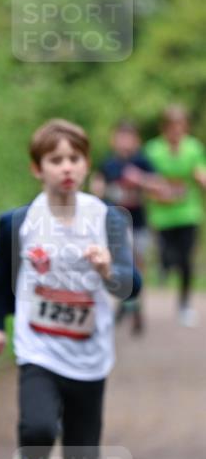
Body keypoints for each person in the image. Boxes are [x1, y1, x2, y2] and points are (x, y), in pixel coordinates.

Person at [0, 119, 140, 459]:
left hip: (91, 355)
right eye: (55, 160)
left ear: (86, 164)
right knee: (40, 426)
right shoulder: (19, 223)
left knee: (83, 454)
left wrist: (109, 271)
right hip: (38, 350)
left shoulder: (107, 219)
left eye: (75, 159)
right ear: (37, 168)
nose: (66, 168)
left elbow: (131, 286)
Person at [90, 120, 162, 334]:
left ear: (136, 140)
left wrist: (140, 180)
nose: (125, 142)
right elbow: (97, 188)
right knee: (123, 260)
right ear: (114, 139)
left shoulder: (142, 161)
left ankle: (135, 307)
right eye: (121, 137)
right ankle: (127, 303)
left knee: (138, 264)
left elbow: (159, 186)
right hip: (115, 223)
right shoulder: (108, 163)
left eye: (129, 137)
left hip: (138, 221)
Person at [144, 105, 206, 328]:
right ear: (164, 128)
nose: (176, 131)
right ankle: (163, 268)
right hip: (162, 216)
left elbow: (200, 172)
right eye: (172, 127)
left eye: (181, 127)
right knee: (168, 256)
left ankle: (184, 305)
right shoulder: (153, 150)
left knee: (186, 260)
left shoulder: (193, 147)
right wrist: (158, 190)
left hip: (188, 213)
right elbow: (146, 178)